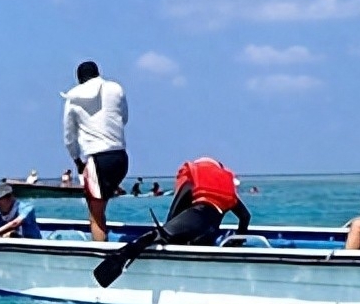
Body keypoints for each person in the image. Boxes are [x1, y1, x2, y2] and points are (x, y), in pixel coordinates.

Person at [93, 157, 250, 287]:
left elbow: (175, 211)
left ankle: (116, 263)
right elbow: (245, 217)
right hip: (209, 232)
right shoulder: (228, 193)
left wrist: (168, 229)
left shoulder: (191, 182)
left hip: (195, 219)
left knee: (153, 237)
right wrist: (238, 240)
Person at [62, 60, 128, 241]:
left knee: (95, 216)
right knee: (102, 205)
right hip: (121, 157)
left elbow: (69, 137)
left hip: (98, 160)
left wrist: (77, 161)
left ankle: (101, 258)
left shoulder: (73, 98)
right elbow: (124, 118)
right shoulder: (116, 89)